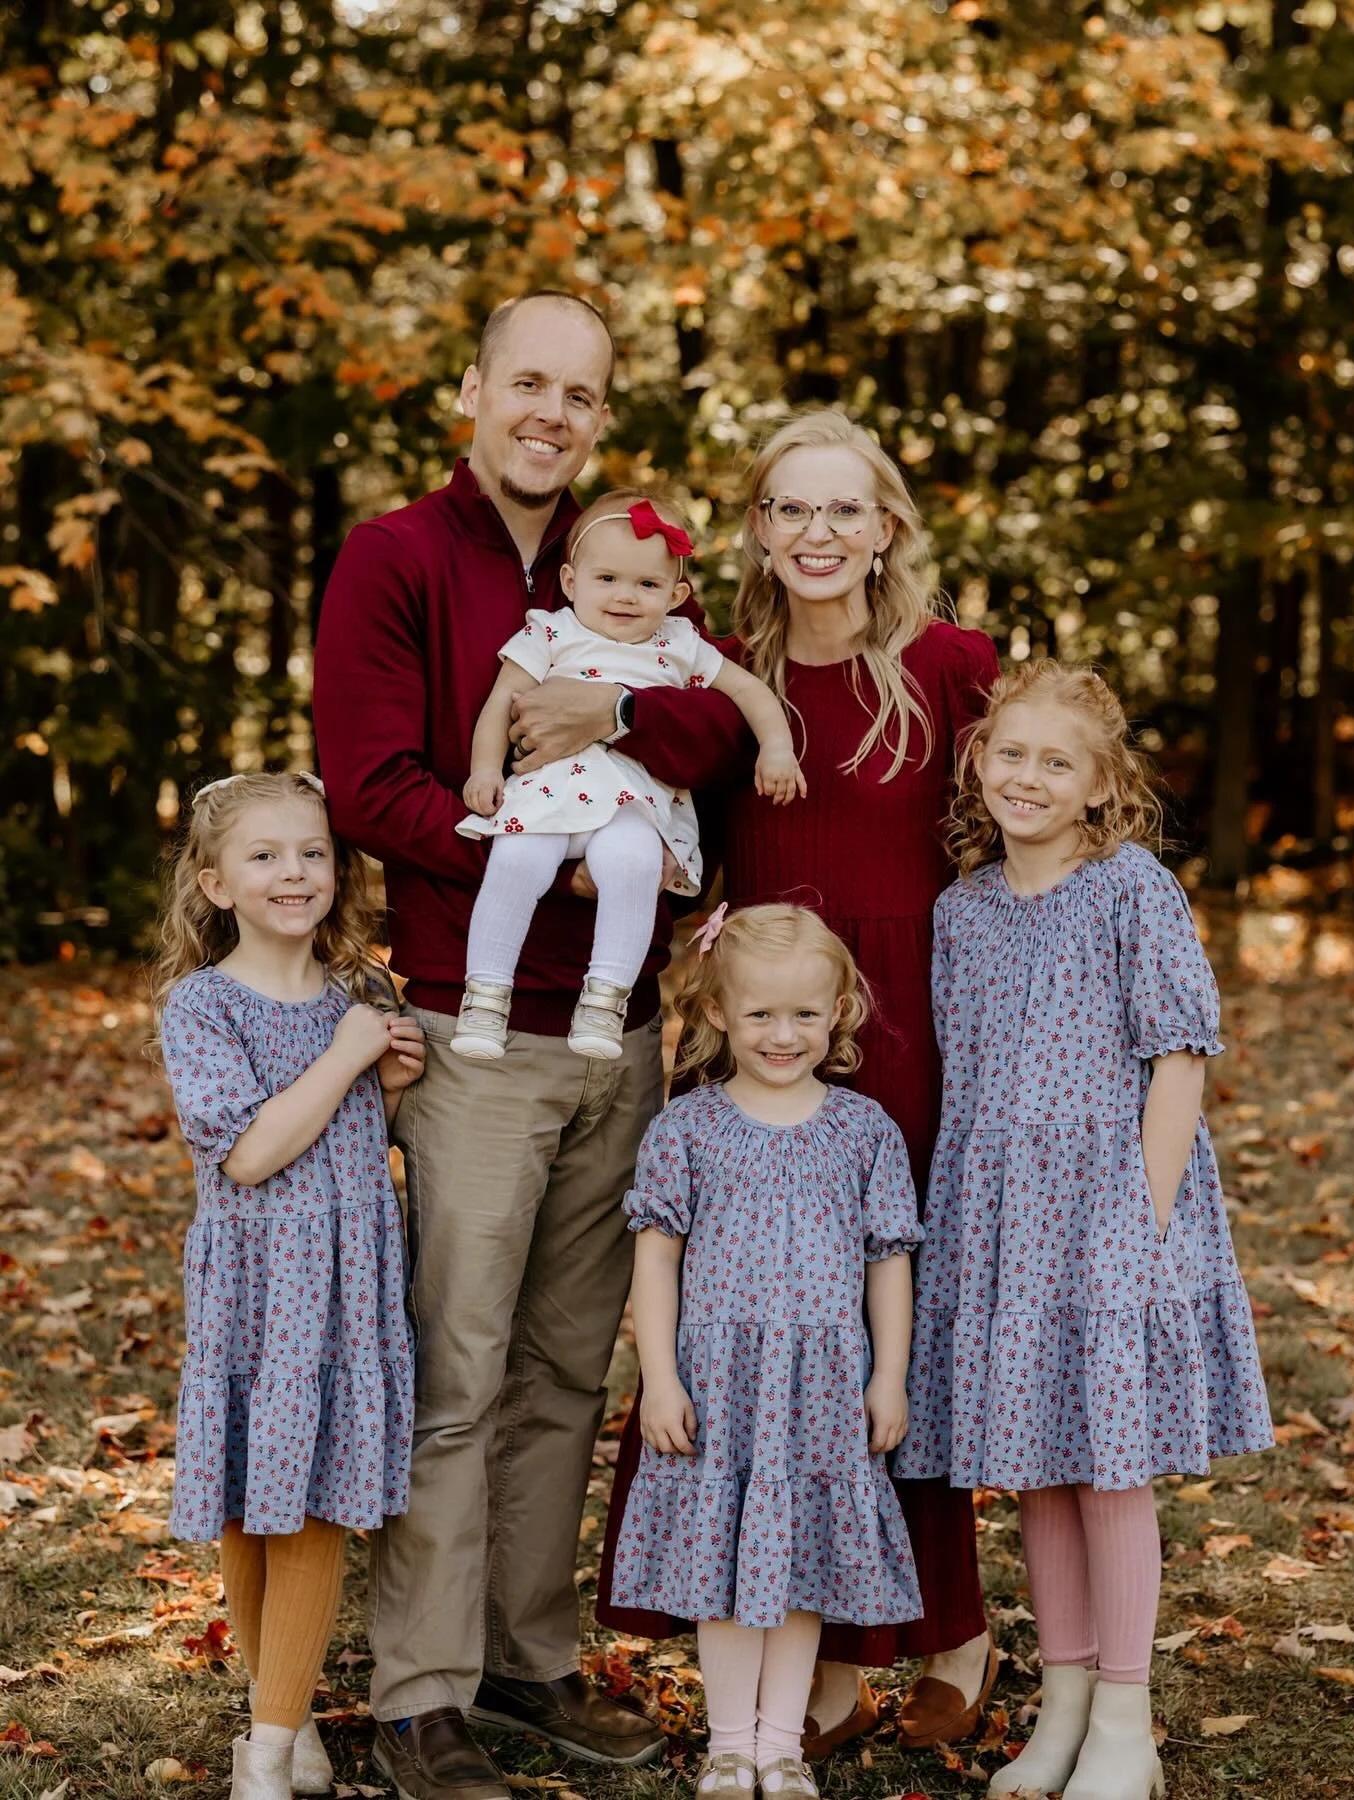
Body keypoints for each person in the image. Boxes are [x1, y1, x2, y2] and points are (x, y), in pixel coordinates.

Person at [313, 293, 749, 1800]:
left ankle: (527, 1655)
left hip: (620, 1033)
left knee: (571, 1363)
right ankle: (419, 1689)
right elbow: (371, 785)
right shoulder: (396, 560)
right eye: (529, 384)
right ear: (475, 391)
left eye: (580, 392)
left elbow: (722, 738)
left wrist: (612, 708)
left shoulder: (626, 565)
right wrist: (545, 854)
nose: (552, 413)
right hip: (471, 1029)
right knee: (461, 1360)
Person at [599, 409, 1000, 1754]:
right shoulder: (721, 678)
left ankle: (950, 1622)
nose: (818, 534)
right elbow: (652, 822)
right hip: (763, 1025)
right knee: (769, 1335)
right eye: (791, 510)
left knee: (895, 1325)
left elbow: (1030, 837)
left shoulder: (952, 668)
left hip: (918, 1028)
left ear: (887, 525)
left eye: (845, 510)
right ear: (758, 532)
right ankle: (814, 1645)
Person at [894, 659, 1273, 1800]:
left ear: (1104, 787)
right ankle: (1059, 1707)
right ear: (976, 762)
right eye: (1009, 753)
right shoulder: (959, 912)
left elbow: (1179, 1060)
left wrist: (1143, 1225)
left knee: (1107, 1470)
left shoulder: (1131, 891)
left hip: (1110, 1209)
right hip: (1000, 1220)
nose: (1028, 776)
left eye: (1058, 761)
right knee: (1038, 1473)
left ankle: (1124, 1721)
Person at [610, 904, 923, 1800]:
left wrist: (888, 1375)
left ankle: (783, 1742)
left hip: (823, 1386)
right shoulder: (688, 1129)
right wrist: (659, 1376)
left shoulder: (863, 1131)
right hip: (718, 1384)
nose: (783, 1036)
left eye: (804, 1015)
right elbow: (657, 1257)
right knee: (721, 1567)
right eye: (759, 1015)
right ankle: (728, 1743)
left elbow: (887, 1262)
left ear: (838, 1015)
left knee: (799, 1567)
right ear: (715, 1014)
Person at [153, 771, 423, 1800]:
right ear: (217, 883)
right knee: (249, 1503)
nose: (293, 873)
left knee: (309, 1505)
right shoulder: (202, 1005)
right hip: (258, 1284)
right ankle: (282, 1719)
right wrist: (350, 1056)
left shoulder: (365, 994)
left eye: (312, 852)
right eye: (264, 856)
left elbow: (357, 1140)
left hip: (346, 1286)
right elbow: (252, 1154)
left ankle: (267, 1749)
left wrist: (385, 1087)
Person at [454, 490, 804, 1062]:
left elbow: (748, 692)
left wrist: (777, 748)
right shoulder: (550, 633)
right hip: (550, 794)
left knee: (635, 864)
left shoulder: (680, 643)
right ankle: (486, 993)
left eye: (646, 585)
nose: (625, 596)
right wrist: (485, 768)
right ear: (570, 581)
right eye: (608, 578)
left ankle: (606, 998)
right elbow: (501, 702)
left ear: (676, 595)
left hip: (632, 804)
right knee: (516, 862)